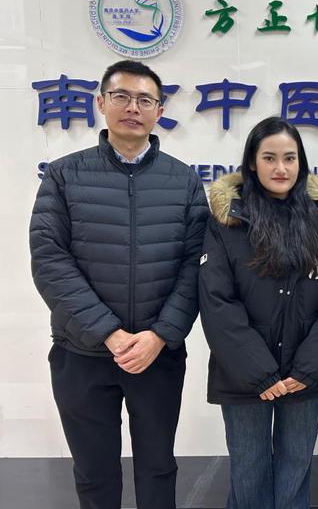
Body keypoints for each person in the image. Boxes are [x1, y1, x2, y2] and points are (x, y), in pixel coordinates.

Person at [29, 60, 209, 509]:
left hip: (157, 354)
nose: (133, 108)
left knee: (158, 469)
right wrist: (108, 332)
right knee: (94, 473)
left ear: (159, 110)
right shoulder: (64, 175)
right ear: (101, 103)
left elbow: (197, 266)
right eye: (122, 96)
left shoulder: (184, 181)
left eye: (145, 100)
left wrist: (160, 335)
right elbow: (50, 261)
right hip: (82, 352)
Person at [199, 117, 318, 509]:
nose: (281, 168)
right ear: (253, 163)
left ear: (301, 162)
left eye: (290, 157)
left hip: (305, 375)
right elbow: (217, 300)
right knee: (248, 470)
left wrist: (308, 369)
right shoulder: (227, 221)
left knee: (295, 467)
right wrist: (259, 372)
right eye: (269, 158)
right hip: (244, 375)